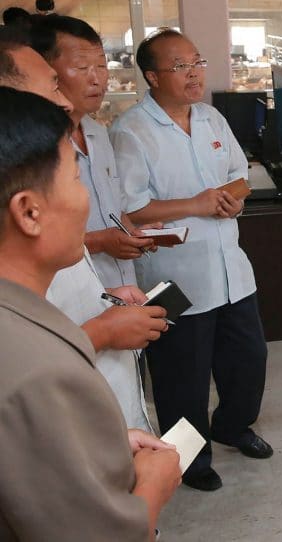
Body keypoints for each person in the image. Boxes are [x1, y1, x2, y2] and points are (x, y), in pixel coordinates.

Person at [0, 86, 180, 540]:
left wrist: (101, 449)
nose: (86, 202)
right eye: (75, 180)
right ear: (29, 212)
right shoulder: (39, 370)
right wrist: (153, 485)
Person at [110, 28, 271, 492]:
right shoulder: (131, 131)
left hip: (230, 270)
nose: (195, 73)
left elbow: (239, 173)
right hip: (172, 277)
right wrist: (196, 205)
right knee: (182, 376)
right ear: (152, 76)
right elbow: (130, 208)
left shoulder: (211, 118)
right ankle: (189, 460)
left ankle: (232, 425)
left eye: (197, 62)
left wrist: (234, 200)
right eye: (180, 66)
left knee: (249, 359)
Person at [0, 27, 168, 430]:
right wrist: (101, 331)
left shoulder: (91, 134)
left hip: (102, 408)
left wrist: (102, 301)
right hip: (68, 429)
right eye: (53, 85)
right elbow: (22, 369)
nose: (62, 100)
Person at [30, 14, 154, 287]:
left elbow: (114, 208)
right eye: (82, 67)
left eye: (101, 65)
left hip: (122, 288)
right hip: (69, 293)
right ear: (45, 72)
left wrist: (133, 234)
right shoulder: (31, 147)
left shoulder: (98, 133)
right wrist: (99, 242)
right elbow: (23, 243)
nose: (97, 79)